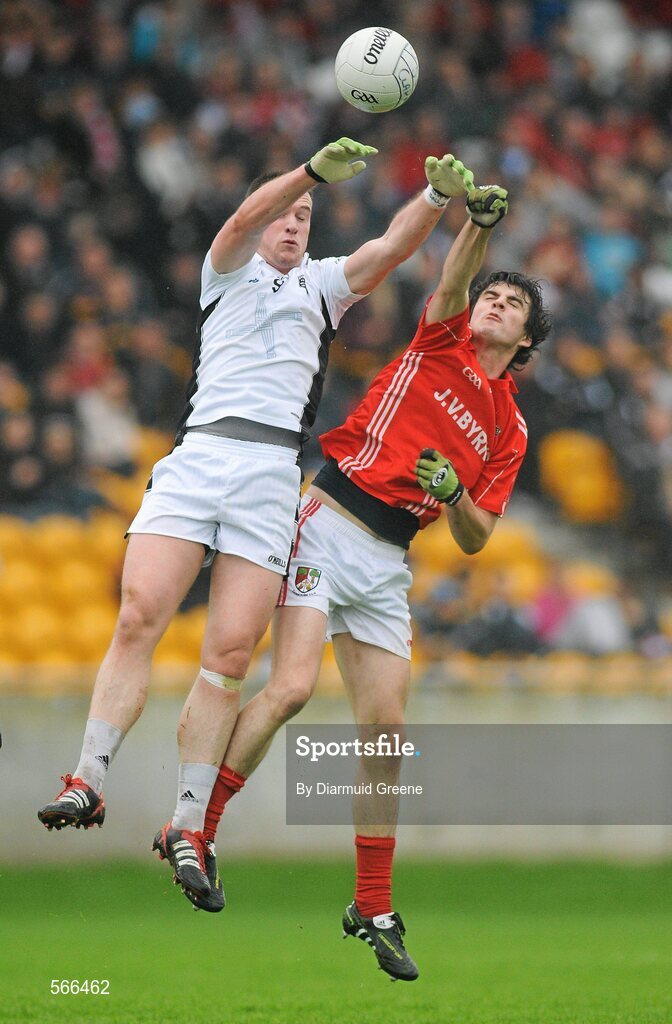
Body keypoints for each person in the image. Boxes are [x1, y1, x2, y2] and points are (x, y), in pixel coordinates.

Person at [37, 138, 476, 904]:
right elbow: (245, 212)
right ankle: (88, 777)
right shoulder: (227, 266)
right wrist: (305, 174)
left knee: (231, 655)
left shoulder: (322, 286)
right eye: (287, 212)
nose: (293, 223)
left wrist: (436, 201)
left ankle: (185, 828)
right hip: (201, 457)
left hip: (272, 476)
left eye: (306, 215)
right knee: (140, 613)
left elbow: (387, 252)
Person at [190, 180, 553, 982]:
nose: (493, 304)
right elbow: (455, 279)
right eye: (492, 294)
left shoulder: (512, 426)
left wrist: (456, 497)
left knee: (386, 735)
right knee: (288, 690)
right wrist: (477, 225)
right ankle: (199, 831)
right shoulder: (442, 340)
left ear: (528, 339)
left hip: (388, 564)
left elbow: (477, 537)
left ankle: (372, 905)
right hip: (329, 518)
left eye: (511, 305)